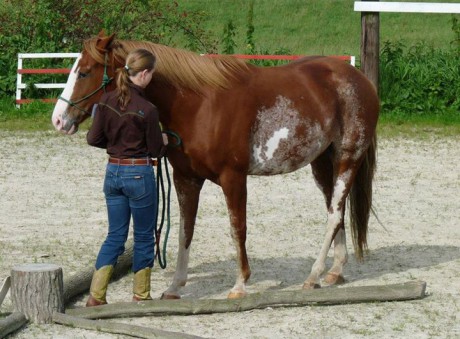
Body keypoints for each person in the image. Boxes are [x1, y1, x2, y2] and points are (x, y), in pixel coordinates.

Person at [85, 48, 167, 307]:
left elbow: (93, 139)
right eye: (151, 73)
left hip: (113, 172)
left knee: (115, 235)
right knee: (144, 236)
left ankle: (96, 296)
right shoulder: (148, 109)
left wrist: (116, 144)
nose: (151, 78)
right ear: (143, 74)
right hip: (139, 174)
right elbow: (155, 150)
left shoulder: (106, 101)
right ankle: (140, 296)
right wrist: (164, 140)